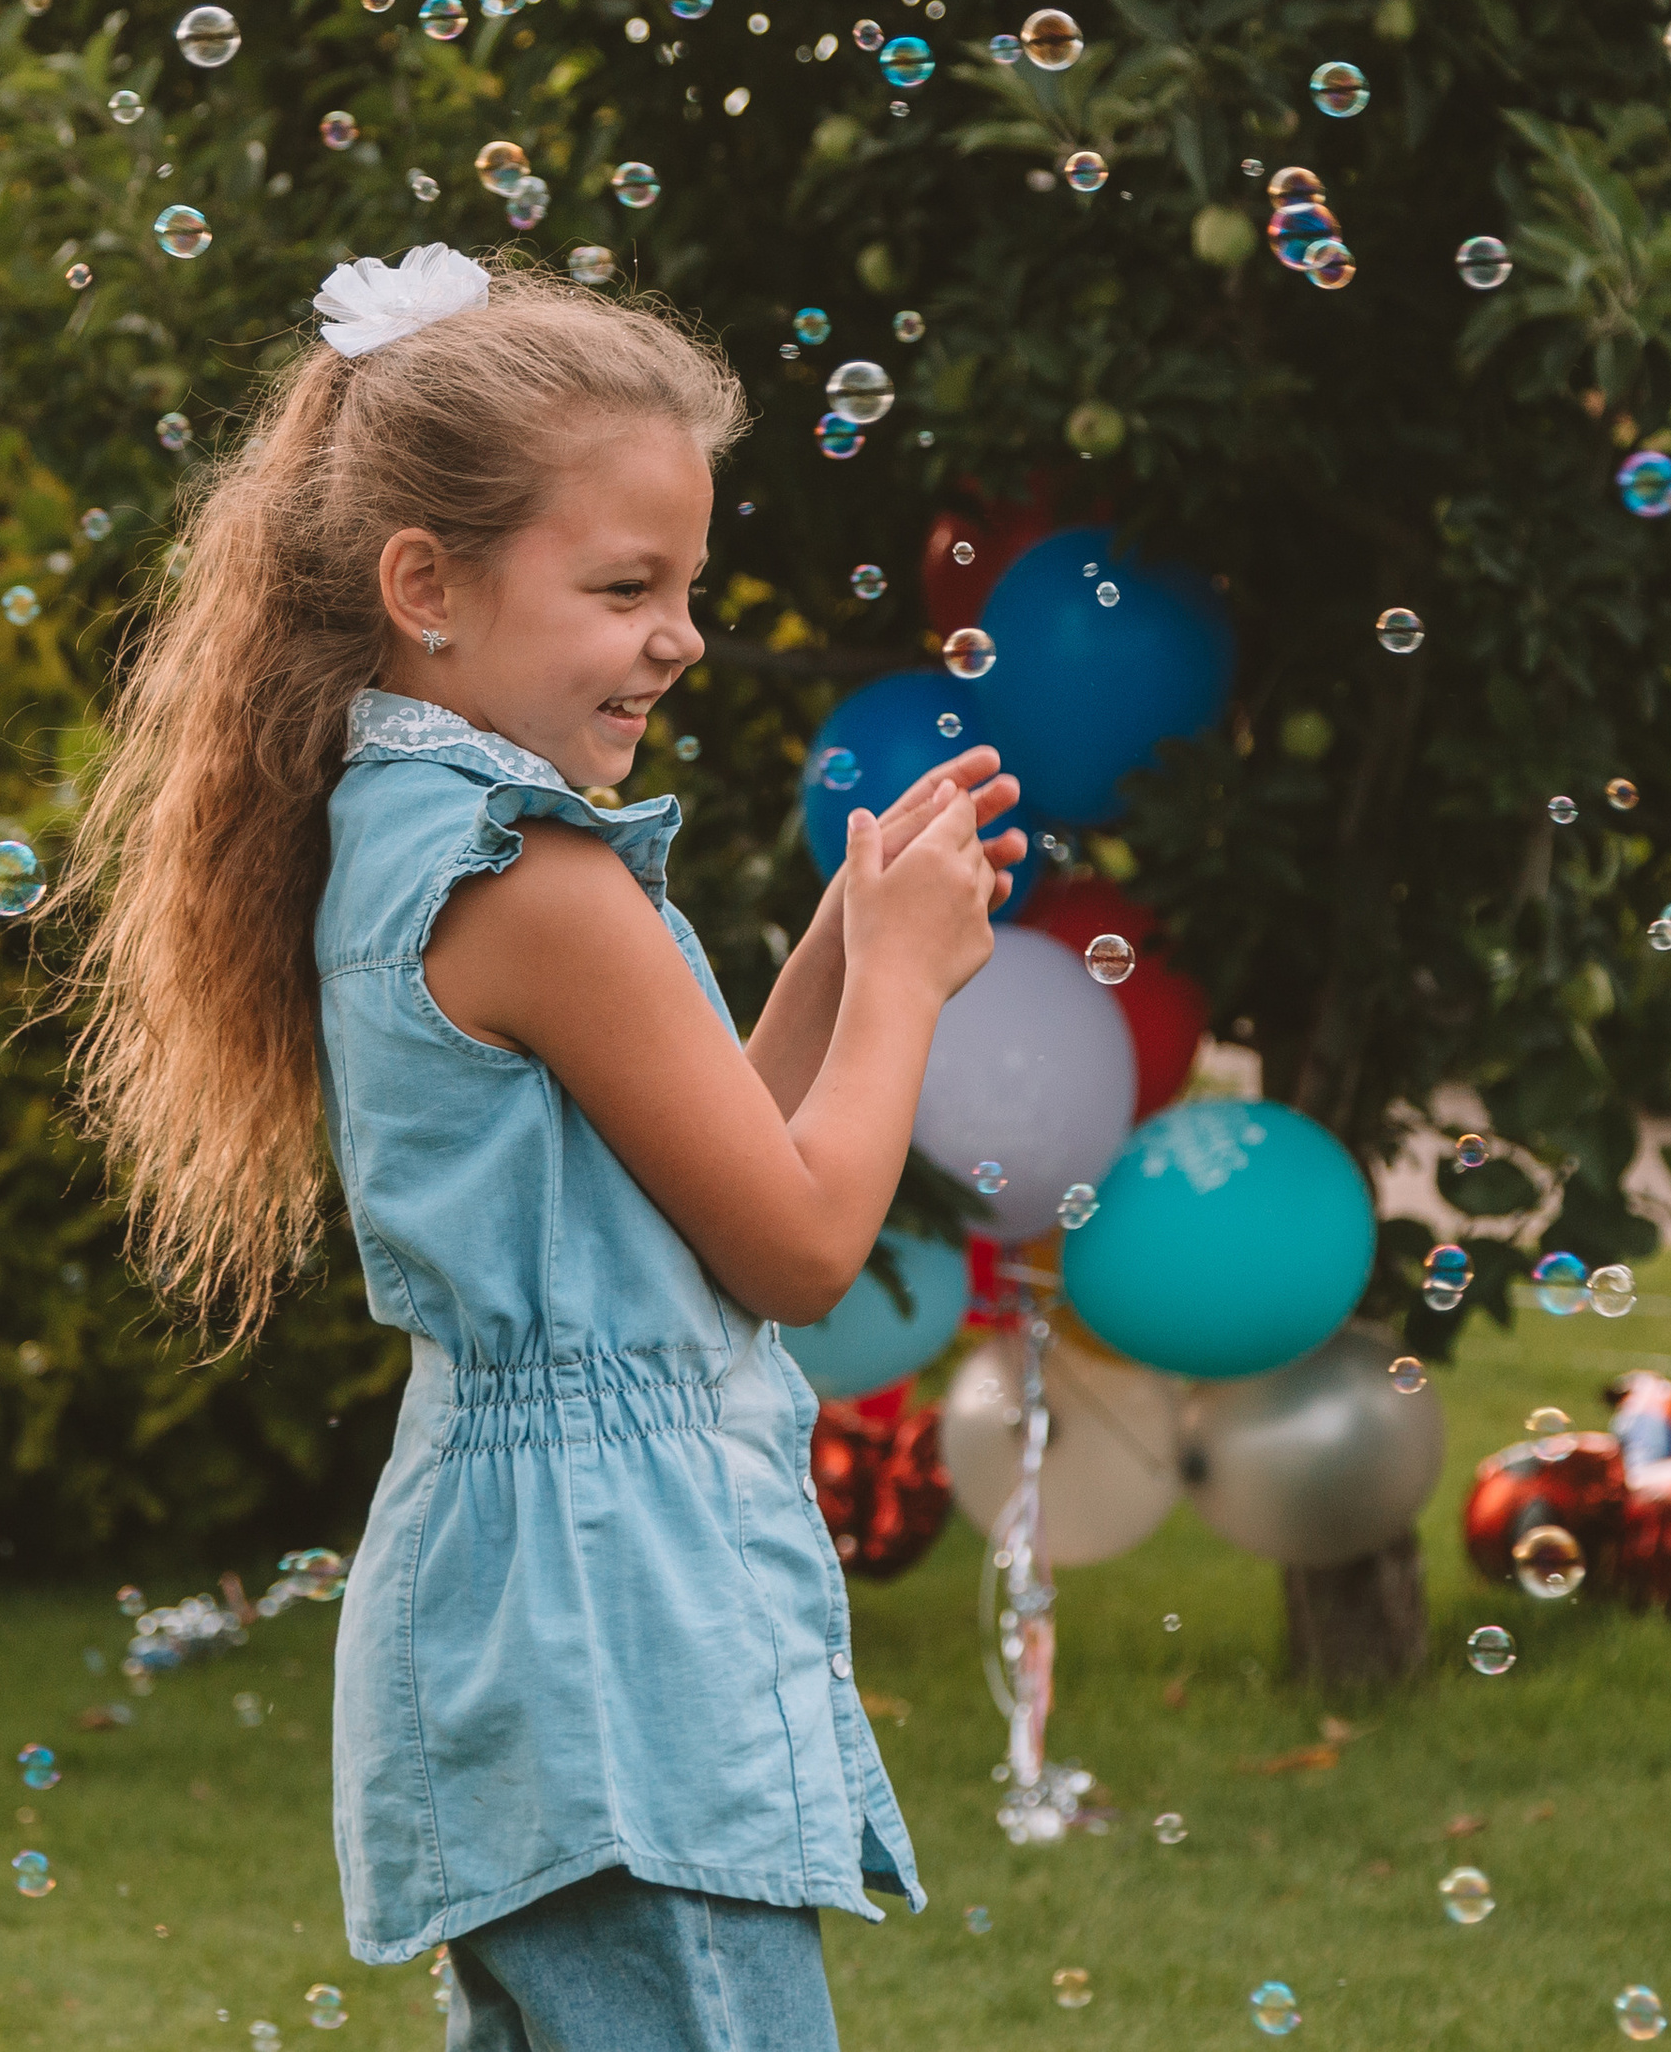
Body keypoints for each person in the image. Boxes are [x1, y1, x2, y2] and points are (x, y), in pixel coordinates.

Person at [62, 245, 1023, 2049]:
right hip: (619, 1637)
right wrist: (903, 993)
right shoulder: (535, 877)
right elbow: (802, 1248)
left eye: (692, 586)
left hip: (538, 1601)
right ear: (424, 584)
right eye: (624, 585)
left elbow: (701, 1178)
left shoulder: (421, 833)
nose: (682, 635)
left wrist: (841, 942)